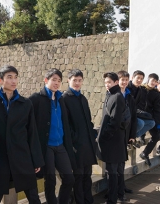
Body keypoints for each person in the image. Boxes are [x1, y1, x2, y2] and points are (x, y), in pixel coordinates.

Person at [0, 65, 44, 204]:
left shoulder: (25, 103)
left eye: (15, 77)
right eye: (9, 77)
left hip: (22, 157)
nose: (13, 81)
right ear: (0, 80)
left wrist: (36, 159)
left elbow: (32, 132)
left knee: (33, 196)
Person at [29, 68, 76, 204]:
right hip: (46, 146)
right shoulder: (36, 98)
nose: (56, 83)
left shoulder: (60, 98)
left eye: (59, 80)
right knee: (50, 180)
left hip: (60, 145)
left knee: (69, 178)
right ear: (46, 80)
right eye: (53, 80)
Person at [63, 69, 97, 204]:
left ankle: (89, 200)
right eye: (74, 80)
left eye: (79, 80)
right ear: (68, 80)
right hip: (76, 146)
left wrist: (92, 134)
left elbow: (88, 120)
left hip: (88, 144)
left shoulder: (82, 98)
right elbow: (66, 124)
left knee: (87, 176)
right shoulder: (65, 98)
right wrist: (74, 139)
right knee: (78, 177)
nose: (77, 83)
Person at [97, 72, 126, 204]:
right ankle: (113, 195)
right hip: (112, 139)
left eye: (109, 82)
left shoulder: (117, 96)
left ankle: (112, 199)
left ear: (115, 82)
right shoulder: (110, 94)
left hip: (113, 140)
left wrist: (104, 136)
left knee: (112, 171)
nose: (106, 85)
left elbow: (114, 121)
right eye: (105, 82)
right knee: (112, 170)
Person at [117, 70, 137, 195]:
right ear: (117, 81)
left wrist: (132, 135)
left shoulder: (130, 96)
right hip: (116, 134)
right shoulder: (113, 94)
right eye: (122, 80)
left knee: (122, 161)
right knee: (115, 164)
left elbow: (134, 117)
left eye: (126, 80)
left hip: (126, 133)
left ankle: (122, 186)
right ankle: (115, 189)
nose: (124, 82)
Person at [138, 73, 160, 166]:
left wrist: (159, 125)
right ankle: (141, 136)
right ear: (148, 80)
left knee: (157, 136)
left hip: (149, 117)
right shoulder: (141, 89)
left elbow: (157, 109)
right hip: (139, 115)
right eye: (152, 80)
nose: (154, 83)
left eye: (156, 81)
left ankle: (145, 153)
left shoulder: (156, 93)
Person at [127, 70, 155, 148]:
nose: (139, 80)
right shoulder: (127, 88)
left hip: (134, 113)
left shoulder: (140, 90)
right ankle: (127, 139)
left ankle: (132, 138)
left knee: (151, 123)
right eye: (138, 78)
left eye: (141, 79)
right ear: (132, 77)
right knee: (140, 123)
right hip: (126, 115)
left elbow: (138, 106)